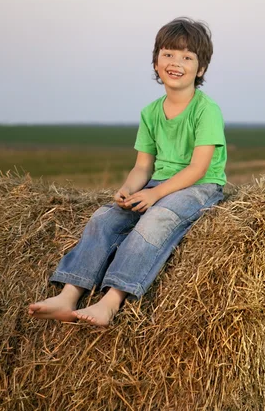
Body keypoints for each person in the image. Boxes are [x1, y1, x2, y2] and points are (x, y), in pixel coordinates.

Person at [28, 17, 227, 327]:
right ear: (156, 61)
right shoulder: (150, 113)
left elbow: (198, 167)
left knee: (154, 220)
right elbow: (143, 166)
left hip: (199, 186)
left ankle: (110, 301)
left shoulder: (206, 110)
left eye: (187, 57)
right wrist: (128, 190)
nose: (176, 62)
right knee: (104, 218)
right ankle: (69, 294)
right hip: (158, 182)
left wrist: (156, 194)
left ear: (200, 70)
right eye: (169, 54)